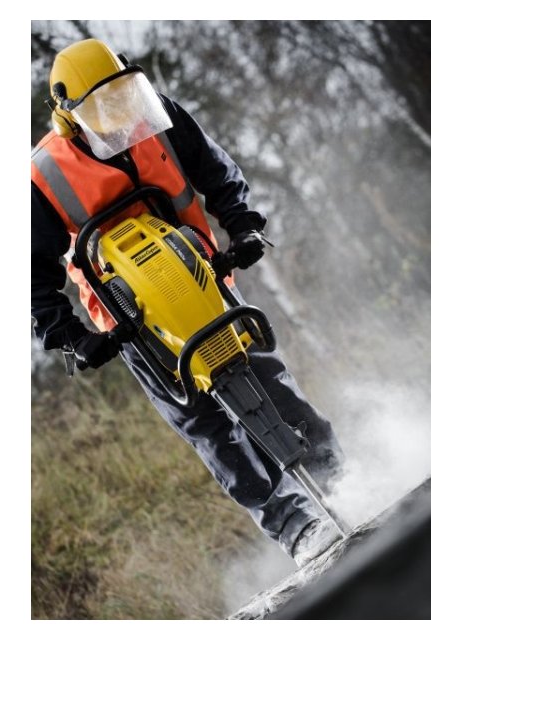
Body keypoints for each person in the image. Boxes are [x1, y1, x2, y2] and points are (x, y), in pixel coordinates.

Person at [31, 38, 344, 566]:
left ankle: (341, 482)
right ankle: (295, 526)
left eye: (121, 96)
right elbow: (31, 274)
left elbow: (215, 172)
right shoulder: (44, 175)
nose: (118, 115)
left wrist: (242, 226)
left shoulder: (156, 116)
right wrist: (72, 337)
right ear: (69, 114)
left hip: (204, 283)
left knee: (271, 383)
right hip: (134, 323)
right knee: (209, 426)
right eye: (101, 106)